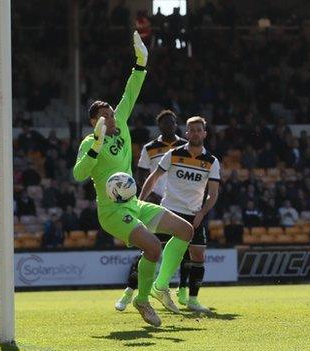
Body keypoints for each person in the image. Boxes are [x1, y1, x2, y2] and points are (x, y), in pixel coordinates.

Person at [73, 32, 193, 328]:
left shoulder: (121, 123)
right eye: (103, 116)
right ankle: (142, 300)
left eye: (111, 113)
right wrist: (96, 147)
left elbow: (131, 91)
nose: (110, 117)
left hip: (135, 203)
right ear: (93, 122)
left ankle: (160, 286)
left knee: (186, 230)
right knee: (153, 248)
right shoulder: (90, 143)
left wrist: (141, 62)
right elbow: (78, 175)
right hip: (112, 212)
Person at [139, 116, 220, 313]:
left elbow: (214, 194)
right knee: (148, 249)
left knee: (198, 254)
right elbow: (153, 177)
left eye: (199, 130)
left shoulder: (212, 161)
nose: (195, 133)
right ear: (186, 134)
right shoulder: (173, 154)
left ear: (204, 133)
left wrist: (202, 212)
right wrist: (139, 201)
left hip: (194, 214)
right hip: (169, 211)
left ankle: (191, 299)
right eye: (191, 130)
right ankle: (135, 292)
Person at [115, 109, 186, 312]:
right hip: (155, 204)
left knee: (180, 248)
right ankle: (129, 292)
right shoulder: (150, 148)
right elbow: (142, 174)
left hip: (177, 204)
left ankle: (176, 292)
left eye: (172, 122)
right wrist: (148, 197)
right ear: (159, 126)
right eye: (165, 123)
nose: (170, 126)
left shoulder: (185, 147)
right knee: (148, 249)